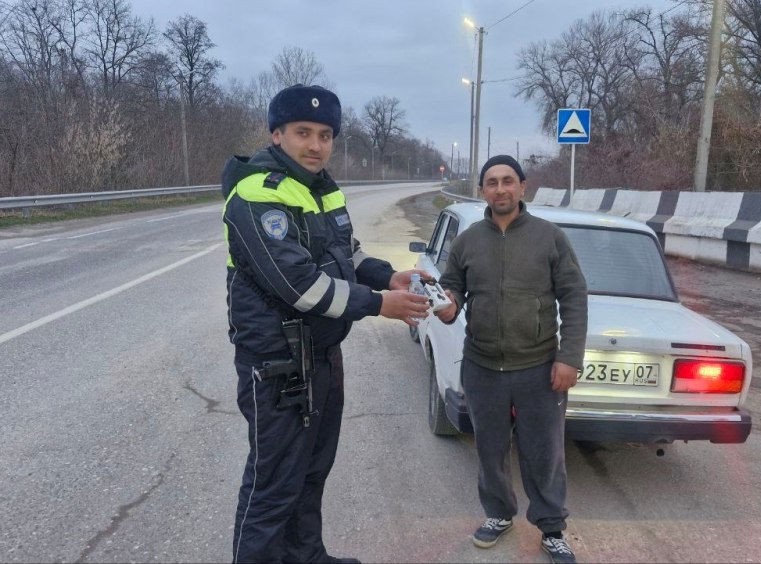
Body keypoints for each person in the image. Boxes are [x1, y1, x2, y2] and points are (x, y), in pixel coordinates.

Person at [221, 83, 430, 564]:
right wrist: (379, 304)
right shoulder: (257, 194)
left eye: (325, 135)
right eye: (303, 132)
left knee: (312, 471)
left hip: (319, 356)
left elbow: (345, 254)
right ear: (277, 135)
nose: (316, 145)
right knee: (273, 484)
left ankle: (306, 555)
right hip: (277, 364)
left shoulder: (321, 189)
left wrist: (388, 276)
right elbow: (299, 286)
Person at [436, 155, 588, 564]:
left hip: (539, 367)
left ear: (523, 187)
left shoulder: (550, 238)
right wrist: (447, 305)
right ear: (482, 190)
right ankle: (499, 513)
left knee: (545, 452)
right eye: (492, 182)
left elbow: (574, 297)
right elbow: (452, 288)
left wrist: (569, 358)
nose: (500, 189)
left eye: (508, 181)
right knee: (490, 448)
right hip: (482, 366)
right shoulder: (468, 241)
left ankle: (551, 528)